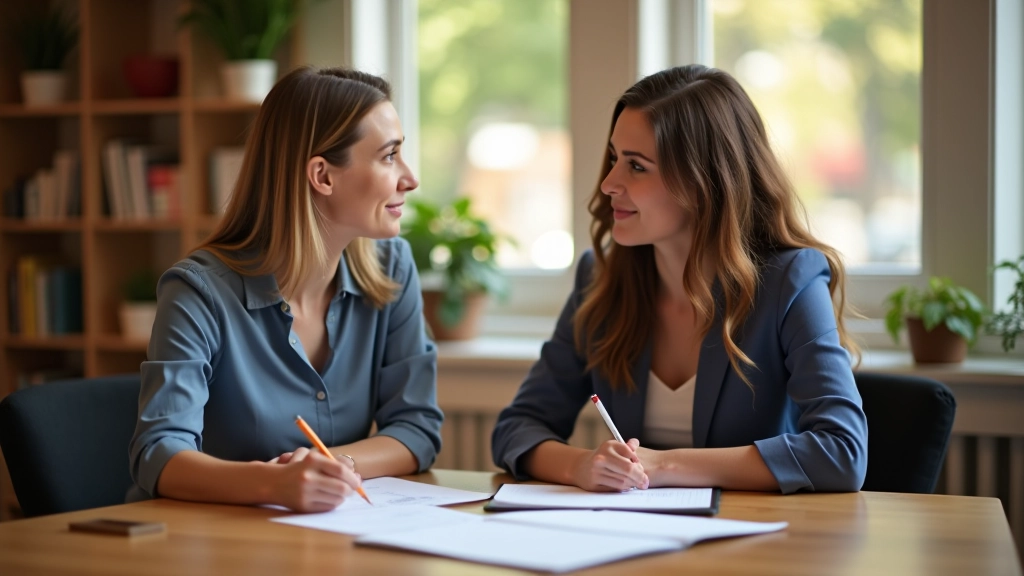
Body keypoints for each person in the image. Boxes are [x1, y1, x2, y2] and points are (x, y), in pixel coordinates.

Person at [491, 64, 867, 495]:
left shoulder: (790, 281)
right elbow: (515, 429)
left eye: (636, 167)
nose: (609, 183)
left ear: (703, 183)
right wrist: (581, 467)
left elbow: (842, 453)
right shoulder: (600, 279)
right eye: (615, 158)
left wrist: (664, 465)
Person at [128, 67, 443, 512]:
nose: (409, 179)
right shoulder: (197, 293)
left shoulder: (392, 270)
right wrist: (273, 484)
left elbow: (416, 427)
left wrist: (332, 465)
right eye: (389, 156)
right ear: (322, 176)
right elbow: (158, 453)